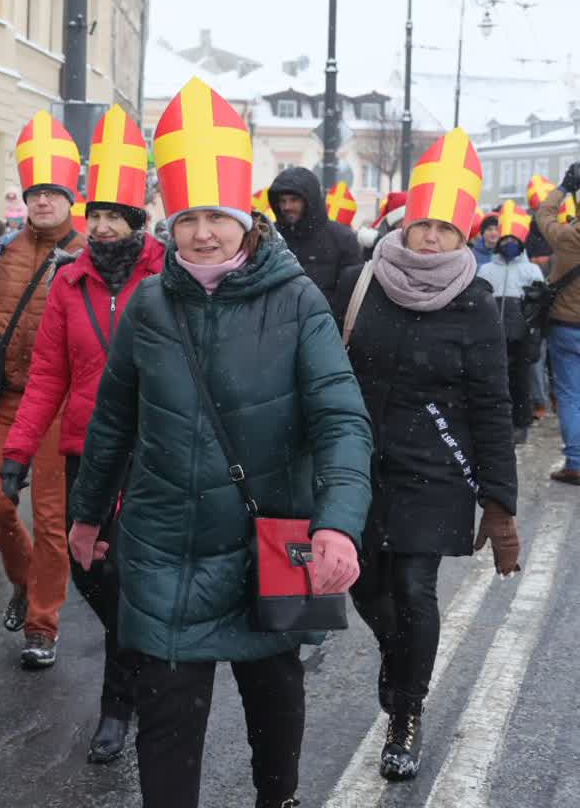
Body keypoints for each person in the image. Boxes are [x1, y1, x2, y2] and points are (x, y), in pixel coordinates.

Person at [68, 78, 372, 808]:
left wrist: (337, 524)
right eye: (188, 219)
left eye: (217, 217)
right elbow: (113, 419)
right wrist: (86, 514)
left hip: (266, 541)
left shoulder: (296, 299)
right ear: (169, 223)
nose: (203, 233)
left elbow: (341, 420)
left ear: (245, 221)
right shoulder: (149, 304)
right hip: (164, 544)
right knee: (167, 724)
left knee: (273, 704)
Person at [333, 128, 521, 781]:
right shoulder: (359, 284)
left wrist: (499, 503)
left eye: (445, 229)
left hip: (436, 467)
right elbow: (322, 372)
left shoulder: (476, 304)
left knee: (414, 587)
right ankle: (400, 656)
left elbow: (492, 404)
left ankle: (405, 712)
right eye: (423, 226)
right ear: (405, 225)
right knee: (361, 581)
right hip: (357, 463)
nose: (432, 239)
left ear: (462, 234)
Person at [0, 105, 161, 758]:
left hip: (152, 454)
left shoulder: (166, 278)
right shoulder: (69, 282)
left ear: (137, 220)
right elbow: (47, 376)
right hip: (84, 452)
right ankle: (135, 653)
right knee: (93, 570)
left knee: (123, 571)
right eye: (96, 215)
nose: (101, 227)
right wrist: (16, 452)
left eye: (115, 216)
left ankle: (117, 705)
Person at [0, 111, 85, 668]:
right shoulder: (1, 251)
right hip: (6, 398)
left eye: (53, 193)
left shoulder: (88, 254)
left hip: (60, 405)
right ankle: (24, 576)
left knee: (53, 521)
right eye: (36, 193)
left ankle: (42, 624)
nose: (43, 201)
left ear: (70, 198)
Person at [476, 201, 544, 445]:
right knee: (494, 382)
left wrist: (534, 335)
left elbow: (539, 308)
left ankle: (521, 422)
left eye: (513, 240)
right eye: (505, 240)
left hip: (522, 336)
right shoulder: (486, 270)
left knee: (520, 382)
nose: (508, 244)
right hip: (493, 335)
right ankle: (497, 422)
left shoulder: (531, 271)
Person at [536, 165, 580, 483]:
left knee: (569, 395)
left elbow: (544, 213)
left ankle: (576, 462)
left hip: (565, 326)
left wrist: (565, 187)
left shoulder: (567, 237)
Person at [267, 165, 362, 304]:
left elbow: (351, 291)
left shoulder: (342, 238)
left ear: (309, 201)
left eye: (294, 200)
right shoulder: (270, 237)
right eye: (282, 201)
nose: (287, 207)